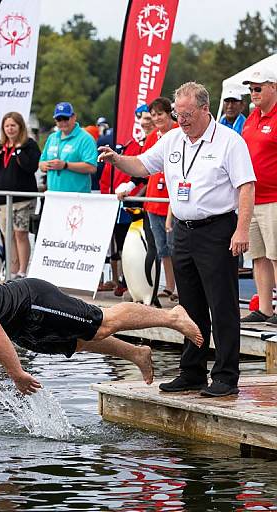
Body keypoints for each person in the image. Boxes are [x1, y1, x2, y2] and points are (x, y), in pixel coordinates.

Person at [99, 82, 256, 397]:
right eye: (177, 114)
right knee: (190, 306)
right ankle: (192, 371)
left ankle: (225, 376)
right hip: (183, 230)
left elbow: (246, 186)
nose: (181, 120)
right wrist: (117, 159)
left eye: (186, 115)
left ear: (203, 110)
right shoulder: (172, 139)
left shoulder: (229, 142)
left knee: (222, 306)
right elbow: (142, 165)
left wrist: (241, 229)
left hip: (217, 229)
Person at [0, 269, 204, 394]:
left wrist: (16, 373)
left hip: (31, 303)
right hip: (23, 331)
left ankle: (171, 317)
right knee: (80, 342)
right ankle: (137, 353)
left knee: (102, 323)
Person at [117, 97, 179, 301]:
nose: (157, 118)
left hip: (173, 203)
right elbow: (143, 167)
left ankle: (181, 287)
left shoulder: (179, 132)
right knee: (161, 249)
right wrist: (130, 185)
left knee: (177, 248)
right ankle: (169, 286)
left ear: (169, 113)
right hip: (153, 202)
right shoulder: (152, 137)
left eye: (160, 114)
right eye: (153, 115)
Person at [97, 104, 154, 294]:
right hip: (125, 201)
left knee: (149, 246)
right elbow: (113, 174)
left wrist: (136, 193)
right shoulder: (131, 143)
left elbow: (148, 173)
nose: (145, 122)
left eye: (148, 118)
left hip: (145, 201)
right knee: (123, 243)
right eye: (142, 118)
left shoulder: (154, 141)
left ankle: (147, 286)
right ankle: (123, 280)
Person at [0, 112, 41, 278]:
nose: (10, 129)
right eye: (7, 126)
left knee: (20, 233)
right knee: (8, 235)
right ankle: (12, 270)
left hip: (22, 199)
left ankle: (23, 270)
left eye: (13, 125)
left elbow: (31, 167)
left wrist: (18, 151)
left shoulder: (29, 145)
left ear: (20, 127)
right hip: (3, 199)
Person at [241, 69, 277, 325]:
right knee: (259, 256)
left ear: (273, 87)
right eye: (251, 89)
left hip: (274, 198)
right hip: (252, 198)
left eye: (258, 88)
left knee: (276, 255)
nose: (253, 93)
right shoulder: (251, 118)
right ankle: (265, 308)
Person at [39, 102, 97, 193]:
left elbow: (92, 167)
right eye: (59, 119)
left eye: (66, 118)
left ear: (74, 117)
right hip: (53, 195)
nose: (63, 122)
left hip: (77, 197)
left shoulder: (86, 138)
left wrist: (66, 165)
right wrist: (43, 165)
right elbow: (41, 162)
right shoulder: (52, 137)